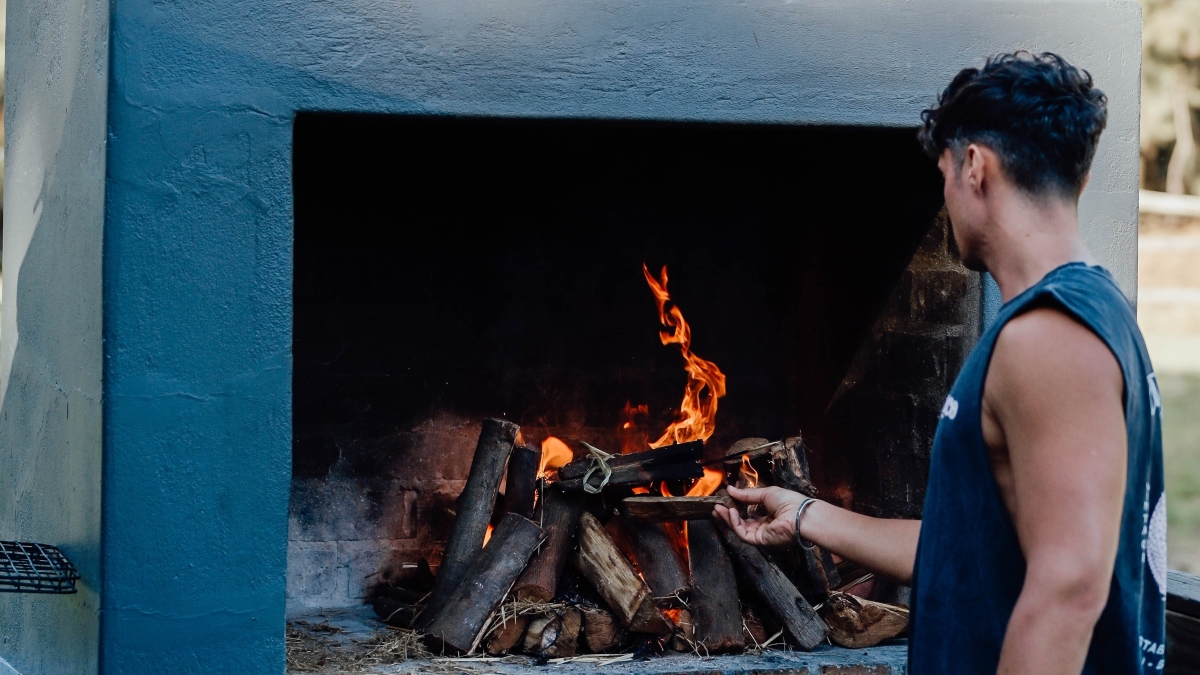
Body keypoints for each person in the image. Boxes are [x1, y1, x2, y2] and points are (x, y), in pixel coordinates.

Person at [715, 52, 1166, 674]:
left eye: (944, 173)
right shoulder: (1086, 314)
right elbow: (972, 551)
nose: (946, 195)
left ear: (975, 166)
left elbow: (1067, 590)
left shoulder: (1050, 336)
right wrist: (806, 515)